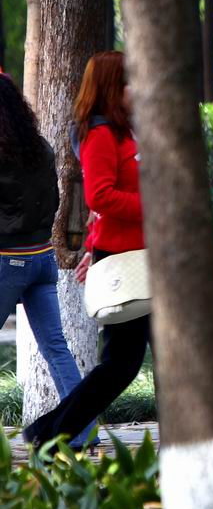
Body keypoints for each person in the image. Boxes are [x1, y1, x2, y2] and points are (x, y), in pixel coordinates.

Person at [23, 51, 148, 447]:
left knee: (126, 363)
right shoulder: (99, 135)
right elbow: (100, 197)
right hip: (128, 260)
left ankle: (48, 431)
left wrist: (93, 247)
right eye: (131, 81)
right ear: (114, 87)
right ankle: (50, 432)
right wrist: (158, 207)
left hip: (143, 254)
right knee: (120, 365)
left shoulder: (125, 131)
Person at [0, 75, 96, 450]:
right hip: (42, 259)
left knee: (55, 346)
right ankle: (85, 434)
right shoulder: (40, 147)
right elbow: (53, 202)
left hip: (7, 262)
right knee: (56, 348)